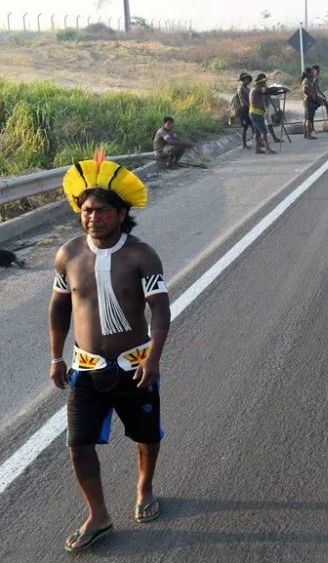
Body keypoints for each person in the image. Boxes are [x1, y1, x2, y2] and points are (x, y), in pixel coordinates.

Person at [51, 149, 169, 552]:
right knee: (77, 444)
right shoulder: (68, 255)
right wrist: (55, 357)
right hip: (86, 368)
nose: (93, 217)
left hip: (136, 366)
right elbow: (59, 308)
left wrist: (153, 359)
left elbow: (160, 310)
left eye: (103, 211)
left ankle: (144, 487)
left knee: (146, 437)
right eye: (87, 210)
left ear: (121, 214)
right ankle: (98, 515)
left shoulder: (141, 254)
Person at [249, 73, 281, 154]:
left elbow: (270, 92)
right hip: (256, 114)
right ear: (260, 83)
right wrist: (281, 88)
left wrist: (281, 91)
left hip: (256, 113)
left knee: (257, 132)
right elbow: (268, 90)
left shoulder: (258, 89)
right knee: (263, 131)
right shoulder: (257, 89)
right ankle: (267, 149)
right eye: (264, 83)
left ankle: (257, 148)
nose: (265, 84)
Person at [236, 73, 253, 149]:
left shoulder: (248, 89)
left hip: (249, 109)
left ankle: (257, 142)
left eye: (248, 80)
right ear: (242, 80)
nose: (247, 81)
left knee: (253, 125)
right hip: (243, 109)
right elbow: (242, 99)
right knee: (244, 127)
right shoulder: (240, 88)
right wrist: (249, 105)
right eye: (246, 79)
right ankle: (244, 144)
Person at [300, 69, 317, 140]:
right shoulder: (306, 81)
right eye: (311, 72)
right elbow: (305, 89)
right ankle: (308, 135)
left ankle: (305, 134)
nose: (312, 73)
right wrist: (311, 95)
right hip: (308, 101)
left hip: (307, 101)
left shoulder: (307, 80)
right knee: (308, 119)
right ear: (308, 73)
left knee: (306, 118)